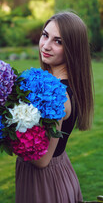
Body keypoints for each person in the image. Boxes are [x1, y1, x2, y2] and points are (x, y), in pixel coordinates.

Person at [15, 11, 94, 203]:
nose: (46, 45)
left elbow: (42, 160)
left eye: (58, 41)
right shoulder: (56, 84)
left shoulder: (56, 96)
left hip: (44, 184)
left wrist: (1, 126)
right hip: (57, 172)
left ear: (72, 48)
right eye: (45, 35)